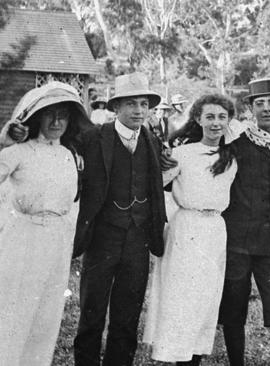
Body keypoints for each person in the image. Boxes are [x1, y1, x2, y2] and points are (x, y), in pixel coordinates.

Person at [73, 72, 167, 366]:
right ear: (116, 107)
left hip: (138, 240)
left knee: (127, 319)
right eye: (130, 104)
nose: (138, 111)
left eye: (143, 104)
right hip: (102, 239)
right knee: (92, 314)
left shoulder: (152, 140)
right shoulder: (93, 137)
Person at [143, 94, 239, 366]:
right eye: (209, 117)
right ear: (197, 119)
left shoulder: (232, 157)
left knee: (205, 298)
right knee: (181, 296)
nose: (216, 123)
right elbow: (156, 185)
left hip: (215, 231)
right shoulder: (181, 154)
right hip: (186, 229)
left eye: (222, 117)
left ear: (229, 121)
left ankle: (194, 358)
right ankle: (176, 357)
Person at [0, 82, 89, 365]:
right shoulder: (17, 153)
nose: (56, 122)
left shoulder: (70, 156)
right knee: (14, 310)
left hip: (57, 243)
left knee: (46, 314)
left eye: (63, 115)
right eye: (49, 114)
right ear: (37, 117)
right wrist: (4, 143)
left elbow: (72, 204)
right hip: (22, 239)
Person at [217, 78, 270, 366]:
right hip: (237, 244)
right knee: (234, 312)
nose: (266, 109)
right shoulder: (234, 144)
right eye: (259, 103)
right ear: (250, 108)